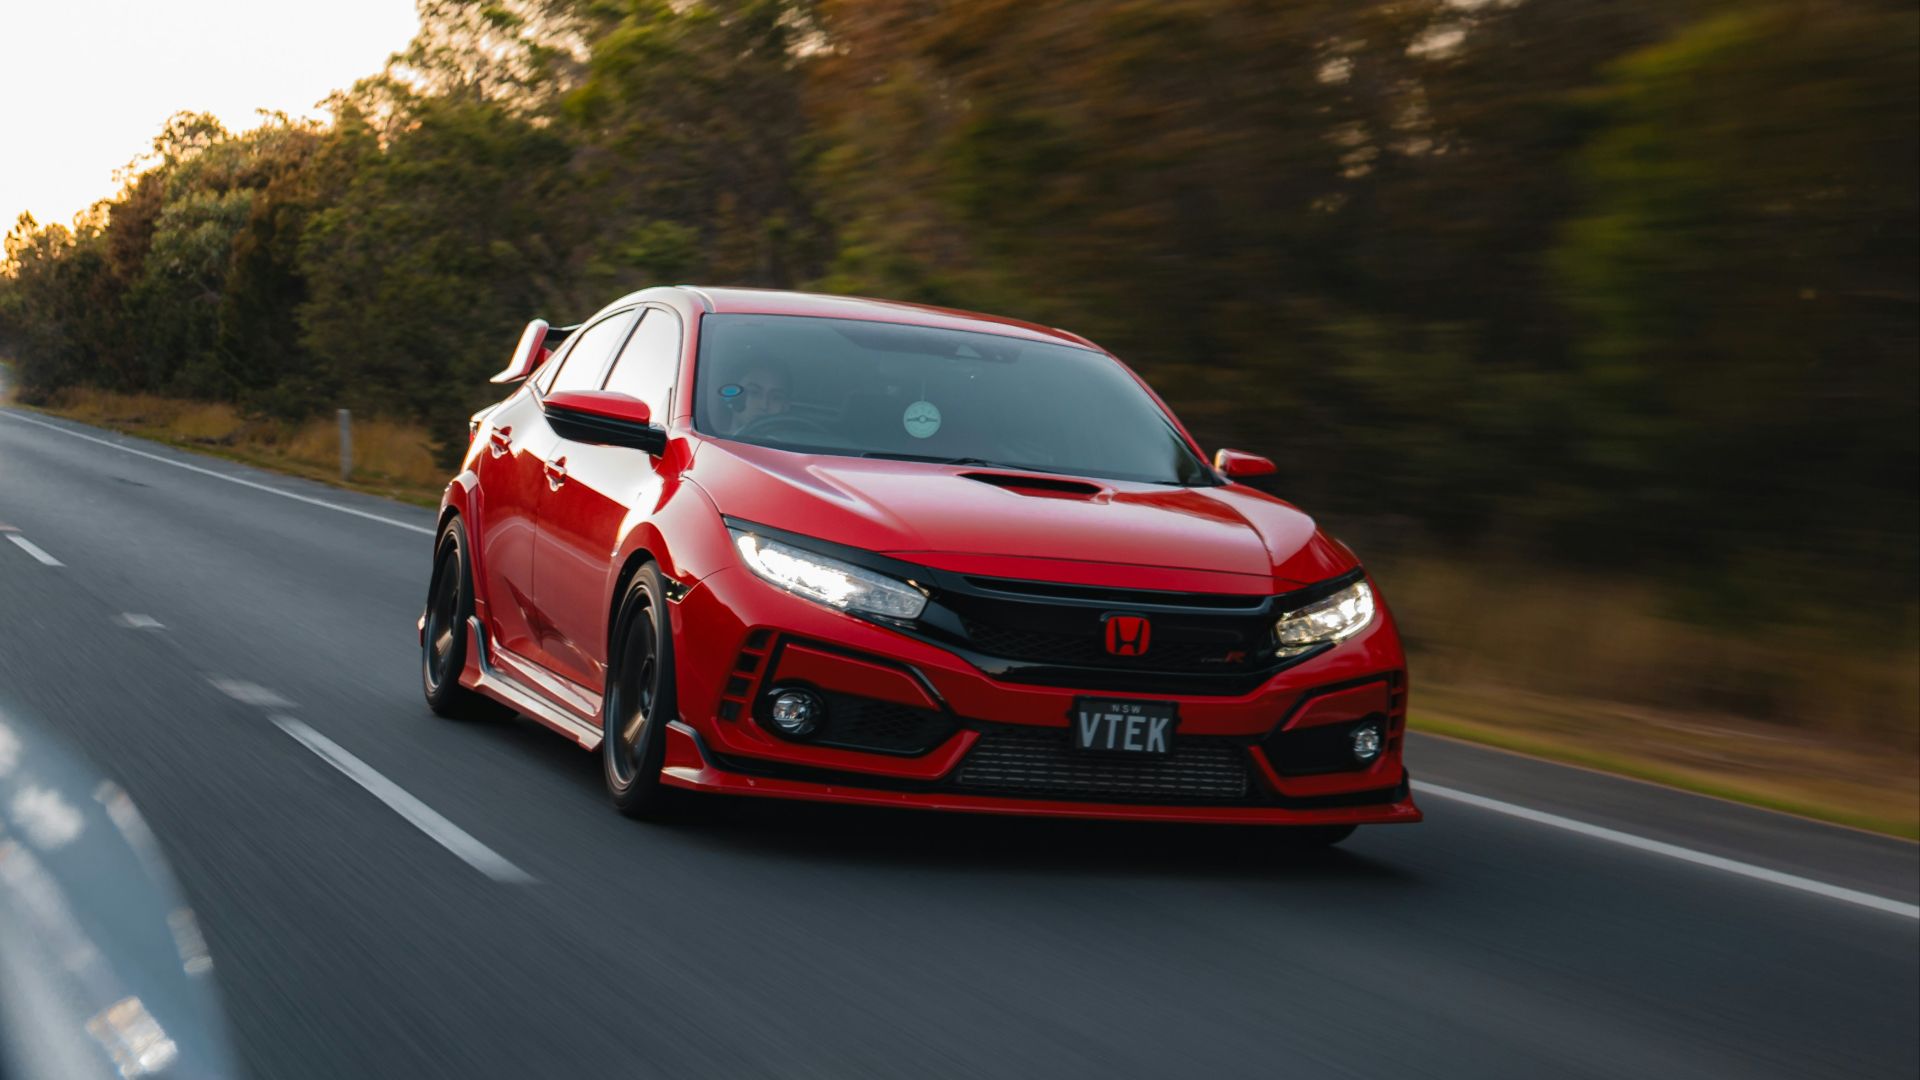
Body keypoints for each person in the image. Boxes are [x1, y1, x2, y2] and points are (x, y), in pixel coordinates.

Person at [719, 358, 792, 434]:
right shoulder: (709, 444)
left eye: (776, 398)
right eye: (754, 393)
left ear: (786, 406)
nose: (764, 406)